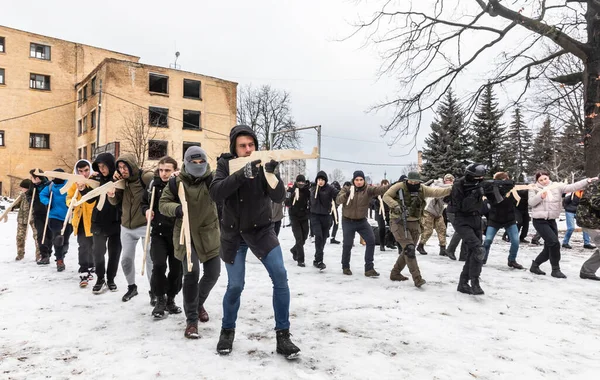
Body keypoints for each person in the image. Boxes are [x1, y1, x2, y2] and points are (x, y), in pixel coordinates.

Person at [209, 125, 300, 359]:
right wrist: (242, 174)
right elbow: (216, 192)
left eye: (251, 145)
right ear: (234, 148)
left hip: (261, 230)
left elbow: (280, 196)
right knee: (236, 285)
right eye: (243, 146)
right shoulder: (224, 165)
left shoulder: (263, 163)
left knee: (280, 275)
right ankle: (227, 331)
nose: (248, 150)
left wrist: (270, 174)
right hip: (233, 234)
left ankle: (283, 335)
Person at [160, 148, 220, 337]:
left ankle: (198, 302)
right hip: (186, 235)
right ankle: (191, 320)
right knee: (192, 274)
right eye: (193, 163)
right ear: (186, 162)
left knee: (213, 273)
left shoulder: (213, 180)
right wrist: (176, 209)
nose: (197, 166)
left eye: (200, 162)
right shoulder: (175, 182)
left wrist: (226, 163)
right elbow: (163, 203)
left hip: (208, 233)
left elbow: (229, 182)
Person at [383, 172, 451, 287]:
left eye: (416, 181)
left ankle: (395, 273)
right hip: (398, 221)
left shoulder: (422, 189)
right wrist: (395, 205)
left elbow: (436, 192)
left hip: (415, 222)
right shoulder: (399, 186)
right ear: (407, 180)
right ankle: (417, 278)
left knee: (408, 250)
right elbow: (386, 196)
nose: (413, 183)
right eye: (411, 181)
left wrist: (452, 188)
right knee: (409, 249)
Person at [528, 171, 597, 278]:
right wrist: (540, 196)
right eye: (540, 180)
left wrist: (586, 181)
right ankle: (555, 270)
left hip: (551, 220)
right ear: (537, 181)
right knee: (554, 243)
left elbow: (572, 187)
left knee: (549, 247)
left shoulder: (556, 186)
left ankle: (535, 265)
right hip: (539, 220)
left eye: (545, 178)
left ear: (548, 178)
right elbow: (531, 202)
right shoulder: (533, 188)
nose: (543, 181)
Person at [107, 153, 154, 302]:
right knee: (126, 259)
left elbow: (157, 179)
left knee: (150, 259)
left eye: (125, 166)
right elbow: (115, 202)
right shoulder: (121, 181)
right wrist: (111, 194)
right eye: (120, 167)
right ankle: (131, 287)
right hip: (126, 226)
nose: (122, 170)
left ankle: (155, 291)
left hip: (145, 225)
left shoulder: (144, 177)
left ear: (132, 165)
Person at [142, 156, 183, 320]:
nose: (164, 173)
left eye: (167, 170)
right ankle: (159, 299)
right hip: (158, 233)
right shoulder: (153, 185)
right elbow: (143, 203)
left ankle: (171, 299)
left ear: (174, 170)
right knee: (158, 265)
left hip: (177, 233)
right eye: (161, 170)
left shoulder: (179, 184)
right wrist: (146, 210)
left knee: (176, 269)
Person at [336, 170, 391, 276]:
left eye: (361, 180)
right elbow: (338, 200)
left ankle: (369, 268)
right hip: (348, 220)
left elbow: (380, 189)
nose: (359, 182)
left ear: (364, 180)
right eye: (357, 180)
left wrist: (393, 185)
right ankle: (345, 266)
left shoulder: (368, 190)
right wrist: (346, 195)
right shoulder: (347, 188)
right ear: (353, 180)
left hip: (361, 221)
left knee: (371, 240)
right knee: (347, 244)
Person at [81, 153, 122, 294]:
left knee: (114, 253)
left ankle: (111, 279)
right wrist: (82, 189)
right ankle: (100, 278)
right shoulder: (96, 179)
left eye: (104, 166)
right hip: (98, 221)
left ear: (111, 165)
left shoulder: (118, 179)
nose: (102, 169)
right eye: (99, 166)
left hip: (116, 221)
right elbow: (90, 200)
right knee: (98, 252)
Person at [448, 163, 488, 295]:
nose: (480, 180)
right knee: (478, 249)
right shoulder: (458, 185)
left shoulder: (481, 184)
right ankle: (473, 282)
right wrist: (474, 194)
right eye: (477, 178)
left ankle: (465, 282)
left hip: (476, 219)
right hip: (462, 220)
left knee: (474, 254)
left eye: (482, 178)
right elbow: (461, 206)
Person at [481, 172, 522, 269]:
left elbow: (521, 193)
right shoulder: (491, 190)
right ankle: (482, 258)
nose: (506, 180)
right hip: (495, 219)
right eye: (504, 179)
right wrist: (494, 187)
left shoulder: (512, 189)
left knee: (515, 241)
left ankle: (512, 260)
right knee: (487, 240)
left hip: (509, 219)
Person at [67, 160, 97, 287]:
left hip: (93, 219)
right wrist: (71, 203)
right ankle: (84, 268)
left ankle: (93, 265)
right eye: (80, 171)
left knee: (94, 245)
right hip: (80, 219)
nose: (84, 174)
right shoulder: (74, 182)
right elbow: (68, 197)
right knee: (83, 245)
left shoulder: (94, 181)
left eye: (86, 170)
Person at [39, 169, 72, 272]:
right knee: (58, 237)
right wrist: (47, 202)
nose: (54, 178)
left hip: (68, 217)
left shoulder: (69, 184)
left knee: (65, 240)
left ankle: (62, 254)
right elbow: (42, 195)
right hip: (54, 216)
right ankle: (59, 260)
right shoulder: (51, 186)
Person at [417, 174, 454, 256]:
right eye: (448, 179)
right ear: (444, 180)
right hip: (429, 210)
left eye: (451, 180)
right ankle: (420, 245)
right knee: (428, 230)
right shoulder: (437, 184)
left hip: (438, 212)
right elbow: (435, 192)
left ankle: (443, 248)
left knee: (442, 229)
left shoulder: (451, 189)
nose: (449, 181)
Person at [310, 171, 339, 270]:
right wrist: (315, 190)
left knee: (323, 239)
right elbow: (312, 201)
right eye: (319, 179)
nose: (320, 182)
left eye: (322, 180)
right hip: (315, 216)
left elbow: (338, 196)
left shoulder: (330, 189)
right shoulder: (313, 189)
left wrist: (335, 206)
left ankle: (316, 258)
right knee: (318, 237)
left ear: (325, 180)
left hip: (326, 216)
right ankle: (319, 261)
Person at [576, 177, 600, 280]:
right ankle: (587, 270)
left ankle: (587, 270)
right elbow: (595, 202)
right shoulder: (595, 185)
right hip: (590, 221)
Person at [29, 169, 53, 264]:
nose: (31, 179)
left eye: (32, 177)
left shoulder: (49, 185)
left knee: (48, 234)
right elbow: (29, 195)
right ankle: (44, 255)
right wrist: (32, 201)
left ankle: (49, 252)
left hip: (48, 213)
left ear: (37, 178)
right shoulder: (33, 186)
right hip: (38, 213)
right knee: (40, 234)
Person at [286, 175, 310, 267]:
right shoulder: (290, 190)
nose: (301, 184)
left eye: (302, 182)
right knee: (299, 238)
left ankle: (294, 249)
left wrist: (308, 211)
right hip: (294, 217)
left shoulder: (307, 191)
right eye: (299, 182)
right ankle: (301, 259)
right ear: (296, 182)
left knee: (304, 237)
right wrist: (291, 195)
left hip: (304, 217)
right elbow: (286, 202)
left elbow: (310, 202)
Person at [14, 179, 40, 261]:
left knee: (37, 237)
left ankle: (39, 256)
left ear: (27, 188)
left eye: (22, 187)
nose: (21, 189)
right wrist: (12, 206)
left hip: (33, 218)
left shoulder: (34, 194)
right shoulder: (21, 195)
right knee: (20, 237)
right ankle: (20, 254)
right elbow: (16, 205)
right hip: (22, 219)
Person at [375, 179, 391, 252]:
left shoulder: (390, 192)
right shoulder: (377, 192)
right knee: (382, 228)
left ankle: (389, 242)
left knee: (393, 227)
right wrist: (376, 203)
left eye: (386, 185)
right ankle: (382, 244)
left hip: (388, 212)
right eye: (384, 186)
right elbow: (371, 200)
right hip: (380, 212)